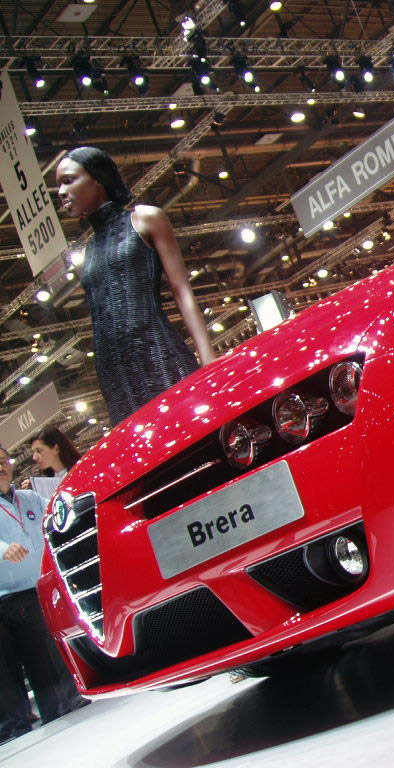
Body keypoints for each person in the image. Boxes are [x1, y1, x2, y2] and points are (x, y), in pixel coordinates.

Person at [55, 147, 216, 426]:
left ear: (98, 179)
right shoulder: (87, 255)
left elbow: (181, 290)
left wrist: (209, 358)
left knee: (189, 431)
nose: (60, 191)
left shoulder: (145, 219)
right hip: (114, 376)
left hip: (158, 355)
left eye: (68, 180)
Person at [0, 446, 87, 743]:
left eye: (4, 461)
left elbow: (57, 515)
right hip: (5, 596)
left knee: (46, 658)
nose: (1, 467)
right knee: (9, 674)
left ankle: (62, 710)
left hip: (37, 589)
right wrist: (3, 549)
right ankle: (15, 730)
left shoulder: (28, 498)